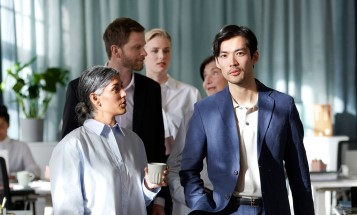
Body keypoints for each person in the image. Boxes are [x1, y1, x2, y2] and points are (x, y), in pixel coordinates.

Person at [179, 25, 314, 214]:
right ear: (218, 61)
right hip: (226, 210)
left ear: (254, 57)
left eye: (239, 53)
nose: (232, 62)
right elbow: (188, 170)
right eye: (224, 55)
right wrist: (202, 206)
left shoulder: (283, 106)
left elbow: (299, 175)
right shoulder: (205, 110)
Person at [61, 17, 167, 215]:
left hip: (142, 196)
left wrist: (157, 195)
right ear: (116, 50)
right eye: (137, 47)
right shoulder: (78, 88)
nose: (145, 53)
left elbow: (156, 145)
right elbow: (69, 141)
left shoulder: (151, 90)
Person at [50, 66, 168, 214]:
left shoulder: (134, 141)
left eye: (123, 87)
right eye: (116, 89)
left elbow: (136, 201)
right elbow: (67, 211)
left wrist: (149, 186)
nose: (124, 93)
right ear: (95, 98)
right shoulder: (72, 145)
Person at [167, 56, 228, 215]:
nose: (207, 81)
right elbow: (174, 168)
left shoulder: (252, 114)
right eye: (204, 76)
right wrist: (194, 199)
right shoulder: (192, 116)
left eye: (214, 73)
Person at [144, 28, 201, 155]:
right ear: (143, 54)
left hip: (183, 166)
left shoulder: (190, 94)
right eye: (155, 51)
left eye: (166, 51)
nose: (162, 56)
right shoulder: (132, 94)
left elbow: (200, 137)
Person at [0, 105, 40, 179]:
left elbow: (35, 170)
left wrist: (15, 176)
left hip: (15, 188)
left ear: (8, 125)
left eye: (1, 126)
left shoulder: (21, 147)